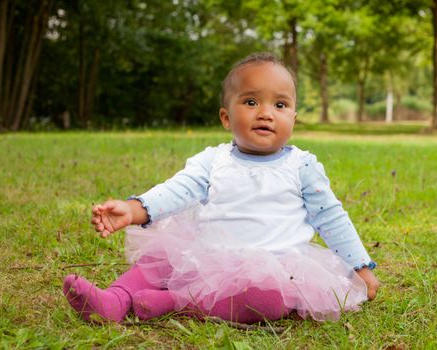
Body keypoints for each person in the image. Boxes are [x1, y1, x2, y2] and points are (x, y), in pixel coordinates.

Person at [63, 52, 380, 324]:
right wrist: (134, 209)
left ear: (293, 119)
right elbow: (178, 189)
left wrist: (360, 265)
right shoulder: (213, 161)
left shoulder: (301, 166)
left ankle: (179, 302)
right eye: (251, 101)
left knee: (267, 300)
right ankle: (114, 301)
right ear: (226, 118)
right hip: (209, 259)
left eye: (280, 104)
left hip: (276, 269)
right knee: (158, 260)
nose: (266, 113)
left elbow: (332, 218)